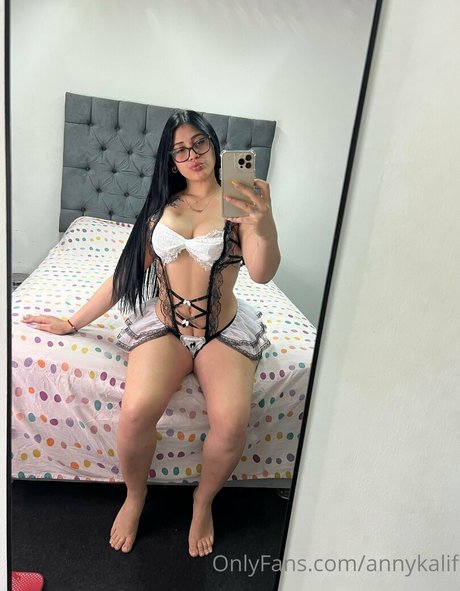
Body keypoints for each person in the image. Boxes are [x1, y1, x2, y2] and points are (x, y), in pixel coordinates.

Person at [22, 110, 280, 558]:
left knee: (232, 421)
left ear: (215, 146)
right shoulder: (162, 208)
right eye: (180, 149)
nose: (192, 155)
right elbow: (124, 277)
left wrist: (264, 220)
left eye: (199, 143)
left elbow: (261, 272)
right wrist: (72, 322)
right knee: (137, 411)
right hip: (166, 325)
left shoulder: (239, 206)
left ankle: (203, 501)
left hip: (221, 330)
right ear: (170, 160)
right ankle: (135, 496)